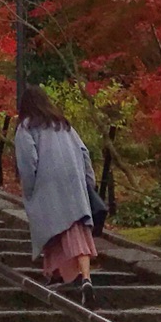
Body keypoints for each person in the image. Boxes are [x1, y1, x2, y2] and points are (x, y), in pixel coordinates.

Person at [14, 84, 99, 304]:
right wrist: (90, 182)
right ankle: (84, 276)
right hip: (74, 182)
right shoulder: (64, 126)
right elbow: (84, 153)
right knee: (77, 229)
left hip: (47, 183)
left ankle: (56, 273)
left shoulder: (26, 127)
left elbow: (27, 160)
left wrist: (30, 189)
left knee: (51, 228)